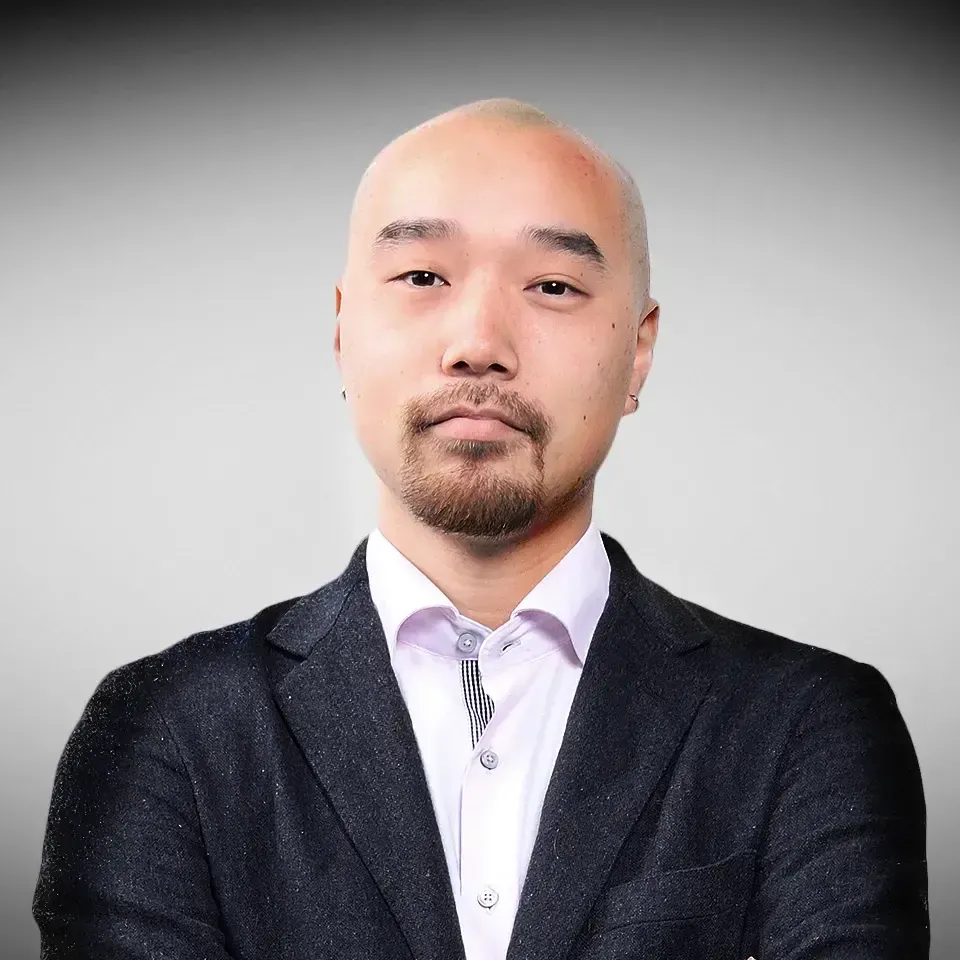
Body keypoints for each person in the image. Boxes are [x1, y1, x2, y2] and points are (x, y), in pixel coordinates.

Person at [33, 98, 929, 960]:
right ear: (343, 331)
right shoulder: (166, 729)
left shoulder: (806, 725)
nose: (478, 343)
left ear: (638, 352)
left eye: (553, 285)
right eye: (423, 277)